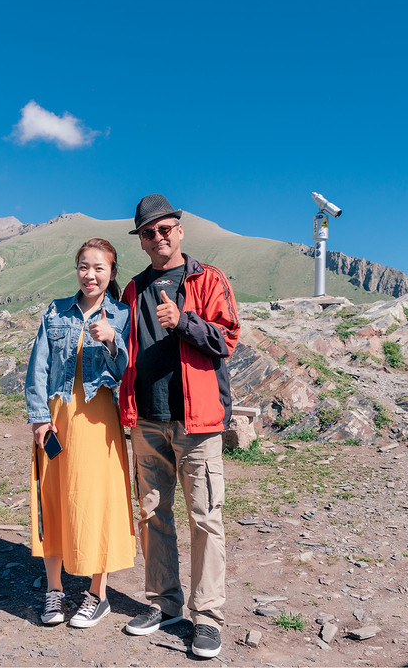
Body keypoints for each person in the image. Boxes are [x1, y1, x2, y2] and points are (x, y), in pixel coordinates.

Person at [118, 194, 240, 658]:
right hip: (146, 419)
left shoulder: (207, 279)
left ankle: (207, 618)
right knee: (152, 514)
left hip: (197, 422)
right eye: (148, 233)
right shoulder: (131, 290)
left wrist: (183, 321)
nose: (157, 238)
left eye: (164, 229)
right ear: (141, 240)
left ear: (179, 230)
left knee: (206, 518)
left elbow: (226, 338)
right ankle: (164, 603)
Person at [24, 237, 135, 628]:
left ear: (111, 273)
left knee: (98, 501)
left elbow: (126, 372)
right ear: (77, 269)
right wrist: (39, 417)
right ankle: (54, 591)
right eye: (84, 267)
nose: (90, 274)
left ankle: (96, 594)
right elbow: (38, 365)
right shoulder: (55, 312)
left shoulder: (121, 314)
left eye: (99, 268)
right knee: (53, 497)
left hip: (100, 419)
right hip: (57, 416)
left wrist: (112, 341)